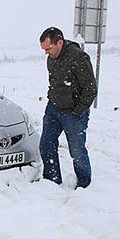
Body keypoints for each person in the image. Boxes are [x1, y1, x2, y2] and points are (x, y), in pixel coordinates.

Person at [38, 27, 97, 189]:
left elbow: (91, 88)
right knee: (46, 144)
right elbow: (55, 83)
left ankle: (84, 185)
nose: (46, 53)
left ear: (60, 42)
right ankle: (52, 180)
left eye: (48, 48)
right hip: (53, 110)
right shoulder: (51, 58)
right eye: (44, 49)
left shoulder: (78, 57)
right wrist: (52, 101)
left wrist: (78, 110)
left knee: (77, 150)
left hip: (73, 112)